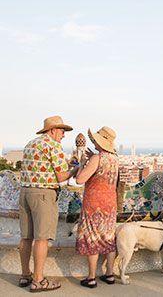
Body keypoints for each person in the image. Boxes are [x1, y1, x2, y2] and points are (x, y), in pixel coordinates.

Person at [19, 115, 78, 292]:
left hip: (25, 193)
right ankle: (38, 280)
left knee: (26, 237)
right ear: (52, 130)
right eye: (62, 131)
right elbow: (61, 177)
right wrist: (76, 168)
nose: (63, 135)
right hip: (43, 194)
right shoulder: (53, 146)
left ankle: (25, 275)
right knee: (42, 238)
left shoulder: (30, 144)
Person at [75, 126, 119, 288]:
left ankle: (91, 277)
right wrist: (94, 158)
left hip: (94, 204)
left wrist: (82, 164)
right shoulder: (114, 158)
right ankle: (109, 274)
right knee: (109, 238)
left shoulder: (96, 158)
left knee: (93, 238)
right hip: (110, 203)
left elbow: (80, 180)